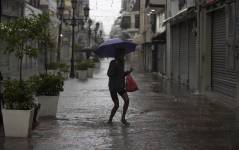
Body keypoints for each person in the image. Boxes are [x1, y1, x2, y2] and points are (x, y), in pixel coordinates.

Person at [107, 47, 133, 125]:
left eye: (123, 54)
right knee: (117, 105)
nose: (123, 56)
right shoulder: (113, 62)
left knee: (127, 100)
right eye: (122, 54)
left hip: (120, 86)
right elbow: (109, 74)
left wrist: (128, 72)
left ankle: (123, 118)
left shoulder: (122, 63)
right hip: (113, 87)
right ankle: (110, 120)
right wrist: (115, 66)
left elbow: (121, 74)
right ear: (118, 55)